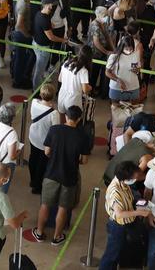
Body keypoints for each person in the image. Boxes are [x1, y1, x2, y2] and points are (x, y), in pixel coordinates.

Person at [33, 105, 90, 245]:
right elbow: (84, 160)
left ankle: (39, 232)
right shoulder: (83, 136)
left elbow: (47, 151)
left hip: (51, 174)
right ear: (79, 119)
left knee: (45, 205)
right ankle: (57, 236)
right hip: (70, 177)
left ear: (66, 116)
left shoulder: (54, 130)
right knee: (63, 208)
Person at [98, 160, 150, 270]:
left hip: (127, 223)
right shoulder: (115, 192)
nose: (135, 179)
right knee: (112, 254)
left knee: (118, 252)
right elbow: (120, 214)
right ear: (126, 178)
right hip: (118, 226)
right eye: (134, 178)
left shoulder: (123, 183)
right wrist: (139, 212)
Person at [27, 84, 60, 194]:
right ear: (53, 97)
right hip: (44, 142)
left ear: (41, 94)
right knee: (42, 164)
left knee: (33, 158)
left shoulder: (34, 103)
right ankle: (37, 186)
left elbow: (37, 98)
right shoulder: (54, 113)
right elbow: (55, 130)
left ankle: (32, 180)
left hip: (33, 136)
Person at [106, 34, 144, 102]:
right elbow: (107, 72)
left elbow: (139, 69)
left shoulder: (136, 55)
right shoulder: (114, 57)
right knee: (116, 108)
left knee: (132, 108)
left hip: (133, 87)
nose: (129, 51)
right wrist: (118, 80)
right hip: (117, 88)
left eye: (131, 49)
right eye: (126, 49)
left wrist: (137, 71)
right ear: (122, 47)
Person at [57, 46, 93, 114]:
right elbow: (85, 90)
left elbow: (59, 79)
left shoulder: (66, 63)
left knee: (62, 118)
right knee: (72, 120)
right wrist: (90, 87)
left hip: (61, 95)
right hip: (73, 99)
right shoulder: (83, 71)